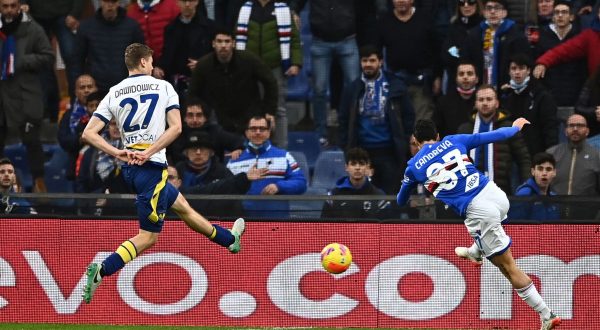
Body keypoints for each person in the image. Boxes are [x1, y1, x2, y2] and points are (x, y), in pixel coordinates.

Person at [81, 43, 246, 304]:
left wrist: (118, 153)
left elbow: (88, 133)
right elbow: (176, 128)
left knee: (182, 206)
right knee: (148, 237)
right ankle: (101, 270)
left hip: (131, 170)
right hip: (152, 169)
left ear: (129, 65)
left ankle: (229, 240)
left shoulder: (114, 92)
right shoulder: (164, 86)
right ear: (146, 62)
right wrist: (149, 151)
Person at [397, 118, 561, 330]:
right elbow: (495, 136)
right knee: (486, 235)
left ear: (416, 142)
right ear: (437, 136)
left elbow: (401, 200)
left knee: (508, 268)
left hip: (479, 211)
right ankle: (475, 250)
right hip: (497, 197)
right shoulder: (454, 140)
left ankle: (546, 314)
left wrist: (410, 182)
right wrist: (515, 127)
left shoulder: (413, 167)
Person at [338, 45, 415, 194]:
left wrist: (404, 143)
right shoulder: (352, 89)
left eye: (372, 60)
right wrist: (346, 147)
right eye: (364, 60)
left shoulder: (396, 86)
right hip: (362, 152)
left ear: (380, 62)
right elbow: (343, 119)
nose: (368, 64)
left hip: (390, 153)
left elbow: (408, 117)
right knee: (364, 198)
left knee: (391, 198)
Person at [0, 0, 55, 193]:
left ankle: (39, 184)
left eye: (12, 6)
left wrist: (22, 60)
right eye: (5, 6)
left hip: (26, 95)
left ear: (19, 6)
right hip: (2, 95)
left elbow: (49, 56)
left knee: (32, 142)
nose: (9, 10)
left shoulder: (32, 28)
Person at [233, 0, 303, 148]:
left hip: (275, 67)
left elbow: (294, 39)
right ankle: (249, 147)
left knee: (279, 109)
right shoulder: (246, 9)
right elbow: (237, 37)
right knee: (249, 108)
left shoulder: (283, 10)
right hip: (249, 68)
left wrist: (296, 62)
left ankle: (281, 148)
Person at [187, 29, 279, 137]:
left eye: (227, 41)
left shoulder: (249, 59)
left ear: (233, 44)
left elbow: (270, 82)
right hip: (217, 116)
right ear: (213, 44)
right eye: (219, 41)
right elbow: (193, 92)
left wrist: (269, 111)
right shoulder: (204, 64)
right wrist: (201, 113)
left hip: (250, 113)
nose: (223, 45)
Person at [227, 115, 307, 219]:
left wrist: (279, 186)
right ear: (246, 133)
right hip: (243, 223)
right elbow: (226, 189)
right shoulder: (234, 160)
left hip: (277, 222)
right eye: (253, 129)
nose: (258, 132)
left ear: (269, 132)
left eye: (262, 129)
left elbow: (301, 184)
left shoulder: (284, 156)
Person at [457, 85, 531, 194]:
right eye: (481, 100)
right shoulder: (464, 129)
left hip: (502, 191)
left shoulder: (509, 129)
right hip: (469, 192)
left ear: (497, 103)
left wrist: (527, 186)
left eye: (489, 99)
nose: (485, 103)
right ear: (475, 103)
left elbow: (524, 160)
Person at [72, 0, 145, 93]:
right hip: (96, 90)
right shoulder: (86, 27)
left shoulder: (132, 26)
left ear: (118, 2)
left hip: (127, 88)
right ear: (101, 2)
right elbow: (77, 60)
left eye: (113, 1)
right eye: (106, 1)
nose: (110, 5)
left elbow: (142, 58)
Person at [460, 0, 531, 89]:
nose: (492, 12)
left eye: (497, 8)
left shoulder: (516, 34)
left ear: (505, 13)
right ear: (484, 12)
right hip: (480, 88)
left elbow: (523, 62)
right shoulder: (474, 34)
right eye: (489, 8)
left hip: (507, 87)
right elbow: (466, 59)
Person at [500, 53, 559, 157]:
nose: (517, 72)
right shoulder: (506, 96)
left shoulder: (541, 95)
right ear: (509, 72)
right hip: (512, 156)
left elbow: (550, 128)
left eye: (521, 68)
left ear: (528, 71)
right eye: (513, 68)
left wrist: (550, 154)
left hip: (536, 154)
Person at [321, 147, 389, 219]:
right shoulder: (333, 196)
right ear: (346, 167)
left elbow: (386, 228)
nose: (357, 168)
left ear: (367, 167)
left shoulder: (379, 197)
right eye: (353, 164)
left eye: (361, 164)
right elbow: (324, 226)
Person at [546, 114, 600, 195]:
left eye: (580, 125)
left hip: (586, 206)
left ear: (587, 131)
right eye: (571, 125)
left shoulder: (597, 156)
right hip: (556, 206)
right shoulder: (551, 154)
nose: (575, 129)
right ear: (565, 131)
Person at [433, 60, 479, 138]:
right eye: (461, 74)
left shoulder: (483, 100)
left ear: (477, 79)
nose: (465, 77)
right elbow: (435, 129)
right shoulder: (443, 102)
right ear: (456, 78)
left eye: (469, 74)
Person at [509, 152, 560, 220]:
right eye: (540, 169)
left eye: (548, 169)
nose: (544, 173)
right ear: (533, 171)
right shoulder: (524, 194)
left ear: (554, 172)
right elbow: (516, 226)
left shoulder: (554, 197)